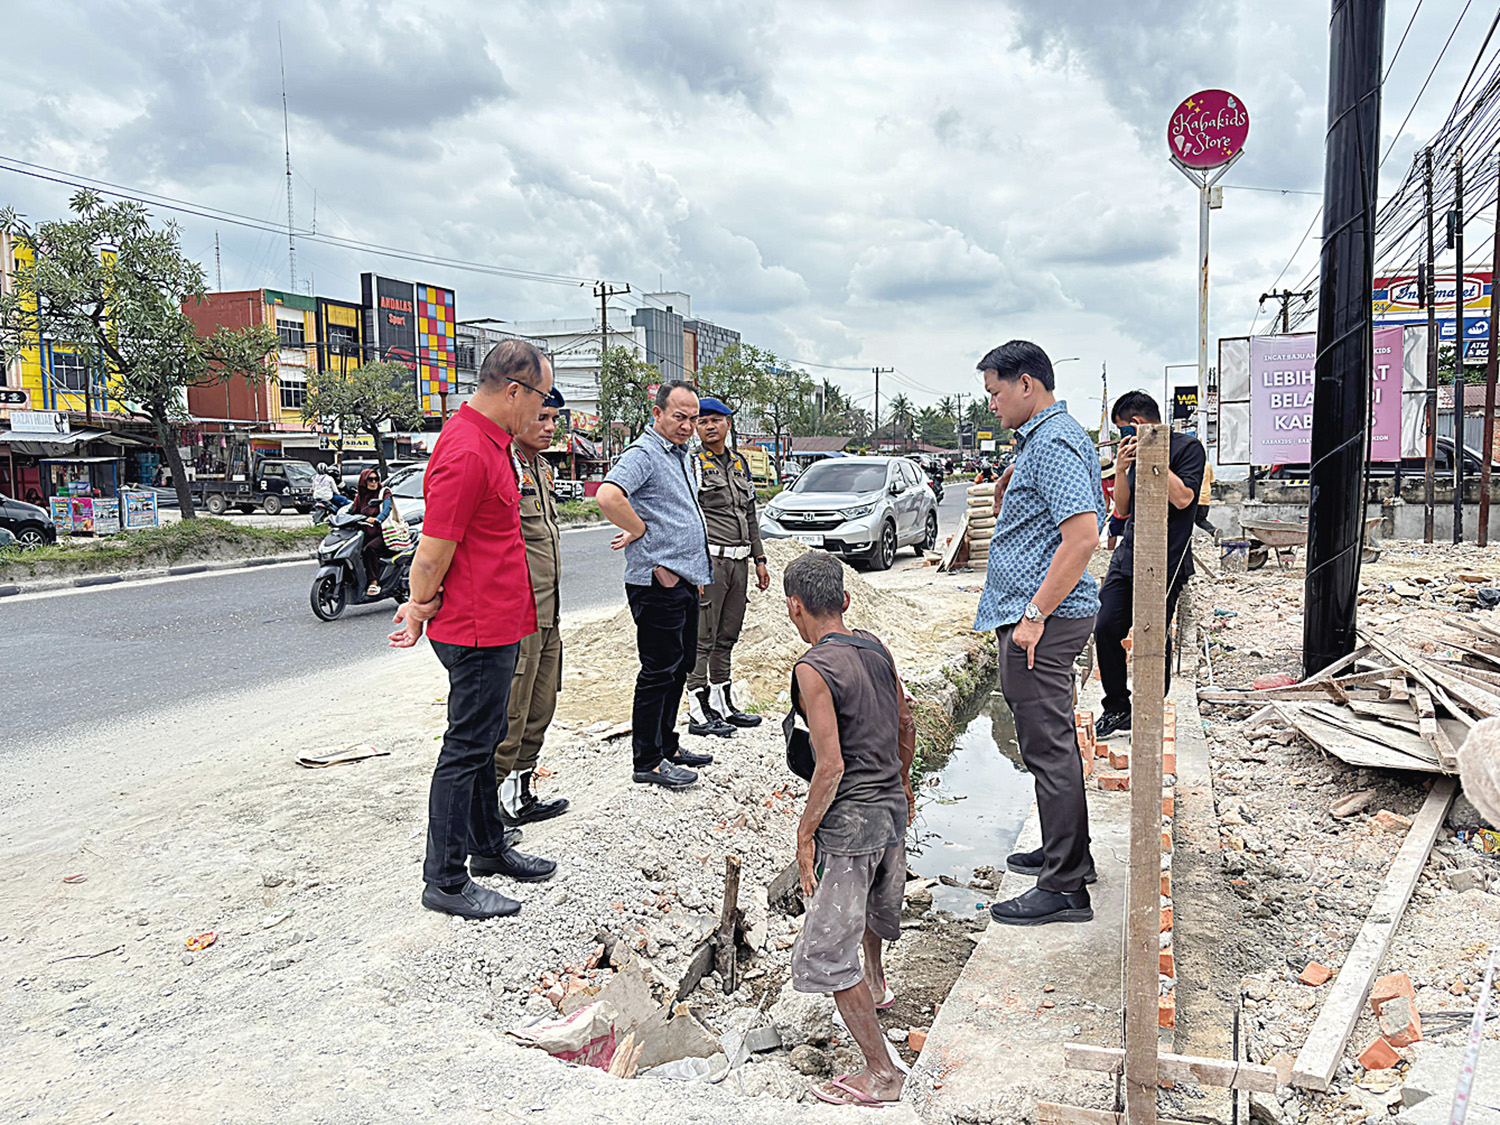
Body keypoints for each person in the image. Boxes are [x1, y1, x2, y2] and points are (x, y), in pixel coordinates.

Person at [388, 339, 557, 920]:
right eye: (539, 397)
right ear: (513, 389)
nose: (543, 410)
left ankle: (488, 848)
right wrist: (416, 606)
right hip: (476, 626)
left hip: (500, 620)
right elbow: (432, 552)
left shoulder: (494, 443)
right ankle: (446, 879)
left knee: (485, 741)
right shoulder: (466, 451)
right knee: (465, 749)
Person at [973, 340, 1106, 925]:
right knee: (1046, 743)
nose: (993, 408)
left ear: (1027, 385)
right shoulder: (1043, 440)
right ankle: (1067, 853)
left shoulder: (1051, 442)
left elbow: (1081, 538)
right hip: (1043, 616)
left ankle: (1065, 886)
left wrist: (1034, 615)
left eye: (997, 394)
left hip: (1044, 621)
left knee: (1047, 747)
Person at [784, 550, 915, 1108]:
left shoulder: (812, 669)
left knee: (825, 951)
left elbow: (830, 764)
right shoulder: (876, 648)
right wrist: (902, 783)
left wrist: (806, 831)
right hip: (892, 811)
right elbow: (906, 721)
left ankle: (882, 1072)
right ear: (843, 600)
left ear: (795, 608)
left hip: (853, 823)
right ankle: (878, 982)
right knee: (873, 910)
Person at [597, 380, 716, 789]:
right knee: (658, 670)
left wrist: (692, 572)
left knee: (679, 665)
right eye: (679, 417)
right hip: (656, 581)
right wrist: (641, 532)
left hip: (683, 579)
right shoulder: (645, 453)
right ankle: (647, 760)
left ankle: (667, 745)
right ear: (658, 414)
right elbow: (609, 495)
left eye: (692, 418)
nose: (687, 426)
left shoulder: (681, 454)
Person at [1093, 392, 1207, 741]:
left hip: (1167, 561)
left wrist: (1151, 454)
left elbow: (1184, 497)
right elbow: (1123, 510)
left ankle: (1150, 708)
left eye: (1125, 429)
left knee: (1153, 635)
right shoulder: (1129, 454)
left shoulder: (1188, 449)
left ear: (1138, 423)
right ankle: (1117, 706)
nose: (1124, 436)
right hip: (1129, 554)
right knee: (1106, 626)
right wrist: (1124, 467)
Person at [495, 386, 571, 827]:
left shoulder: (540, 469)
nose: (549, 427)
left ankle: (523, 792)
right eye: (541, 417)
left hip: (549, 611)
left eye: (554, 420)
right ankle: (497, 806)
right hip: (519, 615)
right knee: (512, 710)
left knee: (541, 706)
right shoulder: (503, 463)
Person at [685, 395, 769, 737]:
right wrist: (695, 566)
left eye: (715, 420)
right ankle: (697, 708)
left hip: (739, 561)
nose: (708, 426)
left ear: (727, 424)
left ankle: (721, 701)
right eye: (702, 422)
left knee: (727, 634)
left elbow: (750, 513)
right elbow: (689, 515)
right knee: (702, 636)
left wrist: (760, 559)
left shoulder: (738, 464)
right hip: (711, 561)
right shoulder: (693, 464)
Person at [352, 468, 393, 595]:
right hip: (365, 533)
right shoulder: (360, 497)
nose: (373, 482)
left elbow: (387, 508)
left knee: (370, 549)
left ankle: (373, 582)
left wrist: (377, 519)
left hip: (383, 534)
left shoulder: (383, 493)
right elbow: (351, 510)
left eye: (376, 479)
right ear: (364, 481)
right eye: (370, 479)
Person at [1195, 459, 1217, 537]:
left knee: (1185, 521)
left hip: (1192, 497)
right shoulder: (1207, 464)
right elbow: (1212, 482)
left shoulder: (1190, 463)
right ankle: (1214, 531)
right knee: (1201, 520)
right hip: (1205, 497)